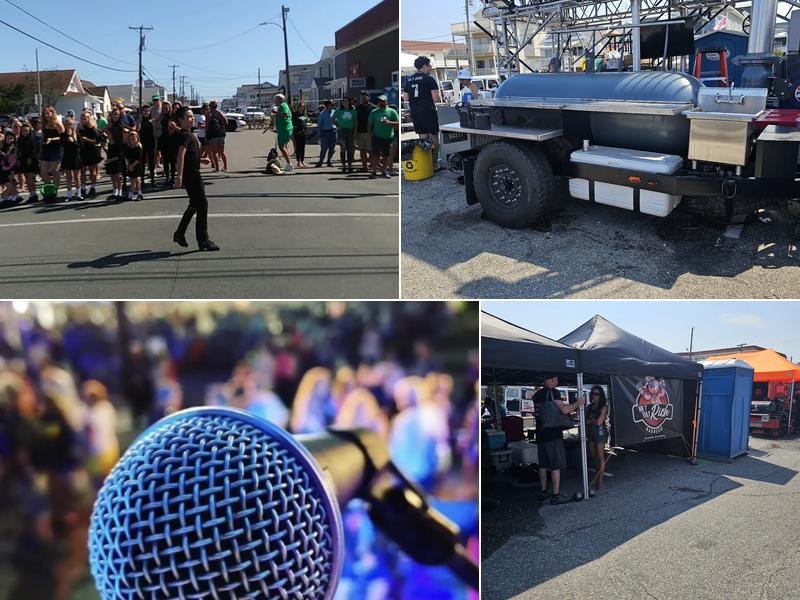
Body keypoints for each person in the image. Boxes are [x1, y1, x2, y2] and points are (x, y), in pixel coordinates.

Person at [172, 106, 220, 252]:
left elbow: (188, 156)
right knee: (202, 205)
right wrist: (179, 176)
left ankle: (179, 233)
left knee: (195, 205)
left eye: (192, 116)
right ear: (180, 120)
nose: (192, 119)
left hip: (192, 172)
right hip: (191, 176)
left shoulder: (185, 134)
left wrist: (199, 159)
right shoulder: (185, 136)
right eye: (188, 117)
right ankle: (203, 240)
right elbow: (180, 156)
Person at [532, 375, 584, 504]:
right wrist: (578, 403)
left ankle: (543, 491)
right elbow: (564, 409)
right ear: (549, 380)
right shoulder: (553, 392)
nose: (557, 381)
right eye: (555, 379)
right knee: (556, 465)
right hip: (553, 435)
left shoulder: (537, 395)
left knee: (543, 465)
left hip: (540, 434)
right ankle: (556, 495)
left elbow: (551, 412)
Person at [402, 56, 442, 169]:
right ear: (424, 66)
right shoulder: (429, 79)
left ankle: (426, 165)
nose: (430, 68)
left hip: (415, 112)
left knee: (423, 139)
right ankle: (434, 165)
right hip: (428, 111)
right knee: (434, 138)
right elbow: (436, 99)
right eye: (430, 66)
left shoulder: (408, 80)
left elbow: (405, 98)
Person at [367, 95, 399, 179]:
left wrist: (388, 122)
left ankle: (384, 171)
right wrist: (370, 134)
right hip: (377, 136)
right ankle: (373, 171)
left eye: (383, 101)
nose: (381, 103)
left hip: (388, 137)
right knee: (375, 154)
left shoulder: (392, 111)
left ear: (386, 102)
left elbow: (398, 123)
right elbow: (369, 124)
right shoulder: (374, 112)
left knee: (386, 155)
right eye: (379, 101)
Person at [38, 105, 64, 200]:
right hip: (45, 149)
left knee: (55, 171)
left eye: (48, 113)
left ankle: (54, 191)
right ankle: (48, 191)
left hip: (56, 149)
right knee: (43, 172)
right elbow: (43, 136)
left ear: (52, 113)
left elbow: (63, 137)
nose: (46, 115)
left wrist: (52, 139)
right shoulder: (44, 124)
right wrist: (41, 145)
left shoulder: (57, 124)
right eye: (45, 114)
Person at [587, 385, 609, 490]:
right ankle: (597, 474)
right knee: (593, 455)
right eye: (593, 393)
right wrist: (593, 422)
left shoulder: (603, 406)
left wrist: (591, 421)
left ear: (601, 395)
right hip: (591, 433)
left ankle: (600, 480)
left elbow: (599, 422)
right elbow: (583, 420)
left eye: (597, 394)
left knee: (600, 456)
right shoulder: (589, 407)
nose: (594, 396)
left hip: (600, 432)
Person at [104, 108, 128, 200]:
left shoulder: (121, 124)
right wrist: (109, 135)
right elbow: (104, 130)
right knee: (112, 172)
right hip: (111, 147)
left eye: (117, 114)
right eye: (114, 114)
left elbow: (130, 130)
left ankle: (120, 192)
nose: (115, 116)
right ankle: (115, 191)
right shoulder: (110, 124)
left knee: (118, 173)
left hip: (119, 147)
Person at [77, 112, 102, 198]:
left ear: (89, 119)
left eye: (85, 118)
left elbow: (96, 141)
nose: (83, 119)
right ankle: (83, 188)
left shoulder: (93, 129)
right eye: (82, 118)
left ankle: (93, 187)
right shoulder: (79, 128)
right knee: (82, 171)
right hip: (83, 151)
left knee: (92, 171)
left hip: (92, 151)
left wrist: (86, 139)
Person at [15, 122, 39, 202]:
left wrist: (30, 157)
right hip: (23, 160)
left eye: (26, 131)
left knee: (30, 178)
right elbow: (18, 150)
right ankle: (31, 194)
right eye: (23, 131)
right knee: (27, 178)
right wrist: (18, 159)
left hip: (31, 161)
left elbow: (35, 150)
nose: (25, 132)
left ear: (29, 131)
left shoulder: (32, 138)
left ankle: (34, 195)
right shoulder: (20, 139)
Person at [59, 119, 82, 201]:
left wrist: (74, 139)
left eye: (71, 125)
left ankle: (79, 194)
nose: (69, 126)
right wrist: (68, 137)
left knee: (77, 177)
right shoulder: (63, 135)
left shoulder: (78, 135)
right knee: (69, 178)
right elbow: (62, 144)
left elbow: (80, 146)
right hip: (67, 157)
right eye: (67, 124)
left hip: (76, 157)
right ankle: (69, 195)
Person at [333, 97, 357, 173]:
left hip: (350, 130)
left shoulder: (353, 111)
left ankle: (350, 166)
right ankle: (343, 166)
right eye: (343, 101)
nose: (345, 103)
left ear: (349, 102)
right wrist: (337, 125)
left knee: (350, 148)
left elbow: (355, 121)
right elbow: (333, 119)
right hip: (342, 130)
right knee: (343, 147)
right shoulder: (339, 110)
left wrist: (355, 130)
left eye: (346, 101)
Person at [205, 100, 228, 172]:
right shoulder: (221, 113)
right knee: (221, 151)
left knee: (214, 152)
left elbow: (207, 125)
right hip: (221, 133)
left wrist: (206, 133)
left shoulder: (209, 114)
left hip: (213, 134)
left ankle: (217, 168)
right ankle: (225, 167)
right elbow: (226, 122)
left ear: (210, 106)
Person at [273, 93, 294, 172]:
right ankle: (289, 163)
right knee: (284, 146)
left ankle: (289, 163)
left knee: (281, 146)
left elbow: (285, 114)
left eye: (275, 100)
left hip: (284, 129)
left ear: (279, 100)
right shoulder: (284, 105)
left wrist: (276, 113)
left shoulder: (282, 106)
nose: (275, 101)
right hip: (285, 128)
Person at [354, 91, 374, 172]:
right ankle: (364, 167)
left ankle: (372, 166)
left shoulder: (373, 108)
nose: (363, 98)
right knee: (362, 150)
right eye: (362, 97)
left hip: (370, 132)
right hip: (360, 131)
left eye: (365, 96)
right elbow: (356, 120)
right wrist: (355, 132)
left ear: (368, 97)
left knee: (371, 150)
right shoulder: (358, 108)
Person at [137, 104, 156, 187]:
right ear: (142, 112)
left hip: (151, 143)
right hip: (142, 144)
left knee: (151, 163)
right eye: (144, 111)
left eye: (148, 111)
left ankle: (152, 179)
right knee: (142, 162)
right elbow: (137, 129)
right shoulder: (140, 121)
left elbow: (155, 133)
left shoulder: (152, 121)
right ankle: (142, 180)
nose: (146, 112)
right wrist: (139, 120)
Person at [315, 99, 336, 168]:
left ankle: (329, 160)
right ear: (327, 106)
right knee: (324, 148)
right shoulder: (322, 113)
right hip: (325, 132)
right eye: (331, 105)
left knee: (332, 148)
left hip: (333, 131)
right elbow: (319, 124)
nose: (333, 106)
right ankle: (321, 161)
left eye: (333, 105)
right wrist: (319, 134)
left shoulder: (334, 112)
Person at [158, 101, 175, 186]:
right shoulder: (162, 116)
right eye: (164, 107)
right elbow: (155, 121)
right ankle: (167, 177)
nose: (165, 109)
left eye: (167, 107)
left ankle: (172, 177)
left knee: (172, 160)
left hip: (171, 139)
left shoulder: (173, 116)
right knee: (165, 160)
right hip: (163, 138)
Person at [124, 129, 143, 201]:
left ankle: (135, 194)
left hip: (137, 165)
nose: (132, 140)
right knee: (133, 181)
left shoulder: (138, 147)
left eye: (134, 139)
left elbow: (138, 159)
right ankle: (134, 194)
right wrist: (129, 165)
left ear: (137, 138)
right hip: (131, 165)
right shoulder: (128, 147)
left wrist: (132, 166)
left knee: (136, 180)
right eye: (131, 139)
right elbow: (128, 157)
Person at [0, 129, 19, 203]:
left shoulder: (13, 147)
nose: (10, 140)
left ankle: (14, 196)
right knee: (9, 184)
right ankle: (5, 198)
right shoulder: (3, 146)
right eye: (8, 138)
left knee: (12, 182)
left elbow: (8, 156)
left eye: (12, 138)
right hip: (3, 168)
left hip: (11, 167)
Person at [290, 101, 308, 168]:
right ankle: (299, 162)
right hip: (297, 133)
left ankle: (302, 161)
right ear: (298, 107)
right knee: (298, 148)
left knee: (303, 148)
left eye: (303, 106)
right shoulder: (295, 115)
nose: (302, 108)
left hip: (304, 133)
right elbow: (293, 124)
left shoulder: (304, 115)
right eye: (300, 106)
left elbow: (305, 123)